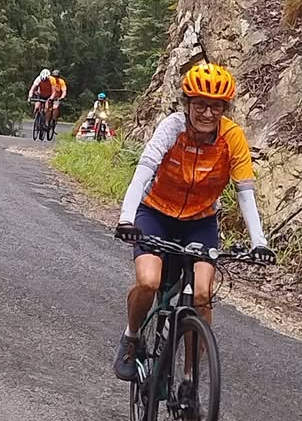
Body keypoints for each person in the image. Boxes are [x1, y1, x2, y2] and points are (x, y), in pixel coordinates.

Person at [113, 62, 274, 381]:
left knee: (201, 294)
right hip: (155, 213)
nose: (207, 113)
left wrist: (259, 242)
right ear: (187, 104)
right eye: (200, 104)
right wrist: (126, 219)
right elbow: (143, 173)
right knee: (148, 282)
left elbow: (244, 192)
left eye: (216, 106)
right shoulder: (172, 128)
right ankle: (131, 338)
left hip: (200, 221)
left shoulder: (232, 137)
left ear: (224, 109)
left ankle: (189, 379)